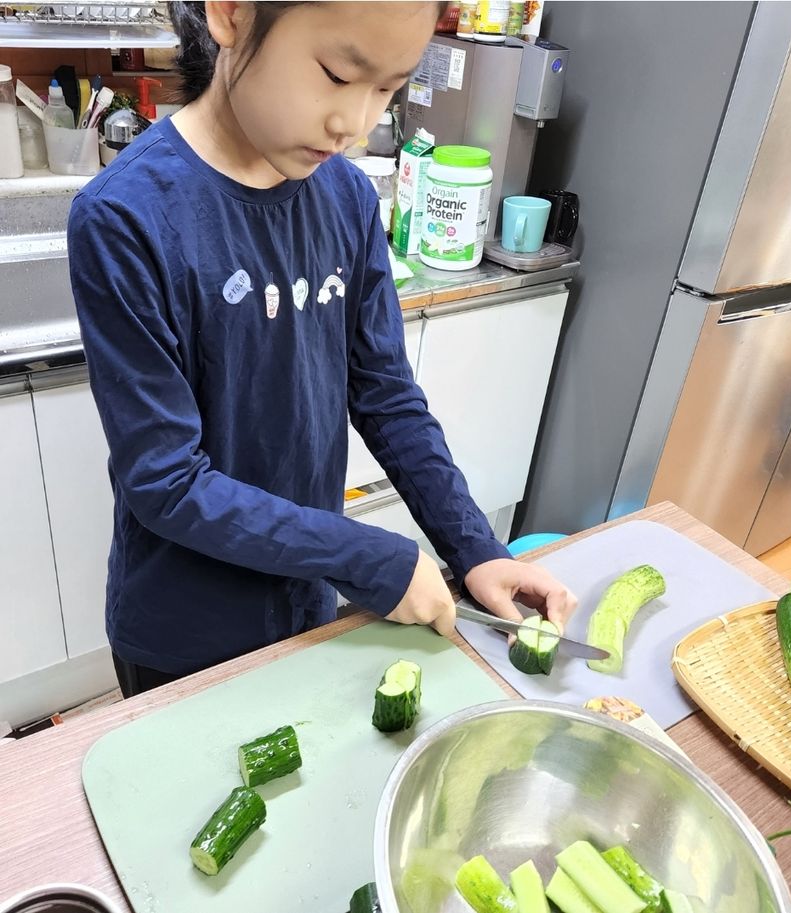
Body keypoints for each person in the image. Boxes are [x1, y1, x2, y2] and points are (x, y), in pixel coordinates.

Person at [67, 1, 576, 698]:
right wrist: (367, 557)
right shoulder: (124, 216)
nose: (355, 124)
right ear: (231, 13)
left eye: (388, 88)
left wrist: (475, 549)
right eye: (337, 75)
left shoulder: (346, 196)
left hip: (306, 605)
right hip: (185, 635)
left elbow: (386, 396)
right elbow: (167, 482)